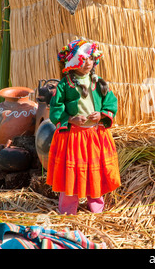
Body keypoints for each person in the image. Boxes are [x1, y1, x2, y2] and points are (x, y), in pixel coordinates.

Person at [46, 39, 121, 215]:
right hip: (73, 137)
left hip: (95, 135)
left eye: (90, 58)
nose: (88, 63)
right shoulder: (65, 85)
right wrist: (70, 119)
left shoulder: (99, 82)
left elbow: (111, 102)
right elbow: (56, 109)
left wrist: (101, 114)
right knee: (71, 173)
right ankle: (68, 211)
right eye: (83, 59)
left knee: (95, 172)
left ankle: (96, 208)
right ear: (72, 62)